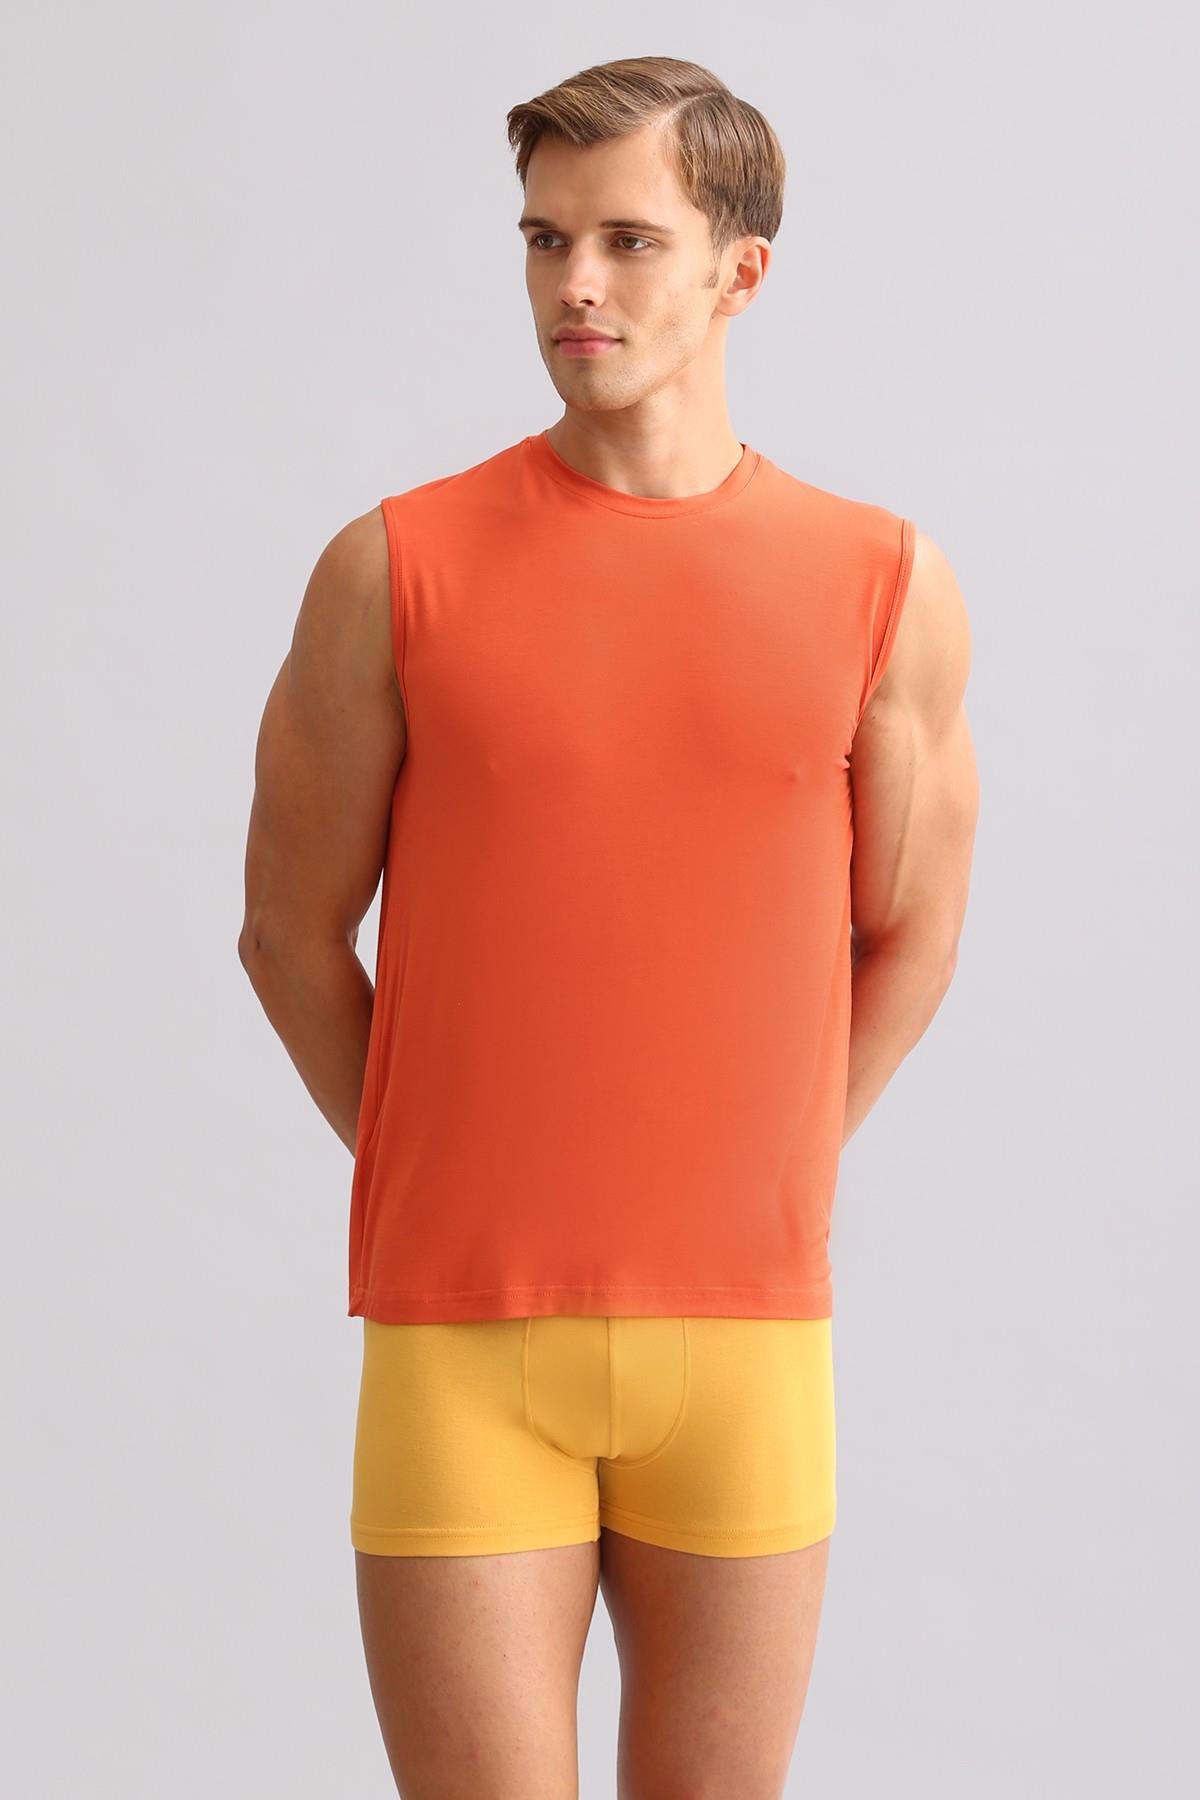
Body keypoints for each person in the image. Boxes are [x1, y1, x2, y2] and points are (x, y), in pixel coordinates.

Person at [238, 53, 978, 1800]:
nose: (575, 283)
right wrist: (434, 1160)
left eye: (629, 241)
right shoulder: (395, 567)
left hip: (748, 1339)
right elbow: (287, 932)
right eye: (544, 238)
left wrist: (776, 1163)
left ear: (740, 270)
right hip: (460, 1339)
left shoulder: (879, 580)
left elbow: (914, 932)